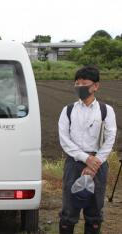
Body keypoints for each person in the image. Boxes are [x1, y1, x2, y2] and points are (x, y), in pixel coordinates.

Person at [58, 66, 117, 234]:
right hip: (74, 163)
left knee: (94, 211)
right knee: (69, 210)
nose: (80, 87)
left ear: (96, 86)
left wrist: (94, 163)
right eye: (77, 84)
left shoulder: (106, 111)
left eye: (84, 84)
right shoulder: (68, 110)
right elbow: (64, 139)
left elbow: (109, 138)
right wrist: (85, 159)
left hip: (98, 164)